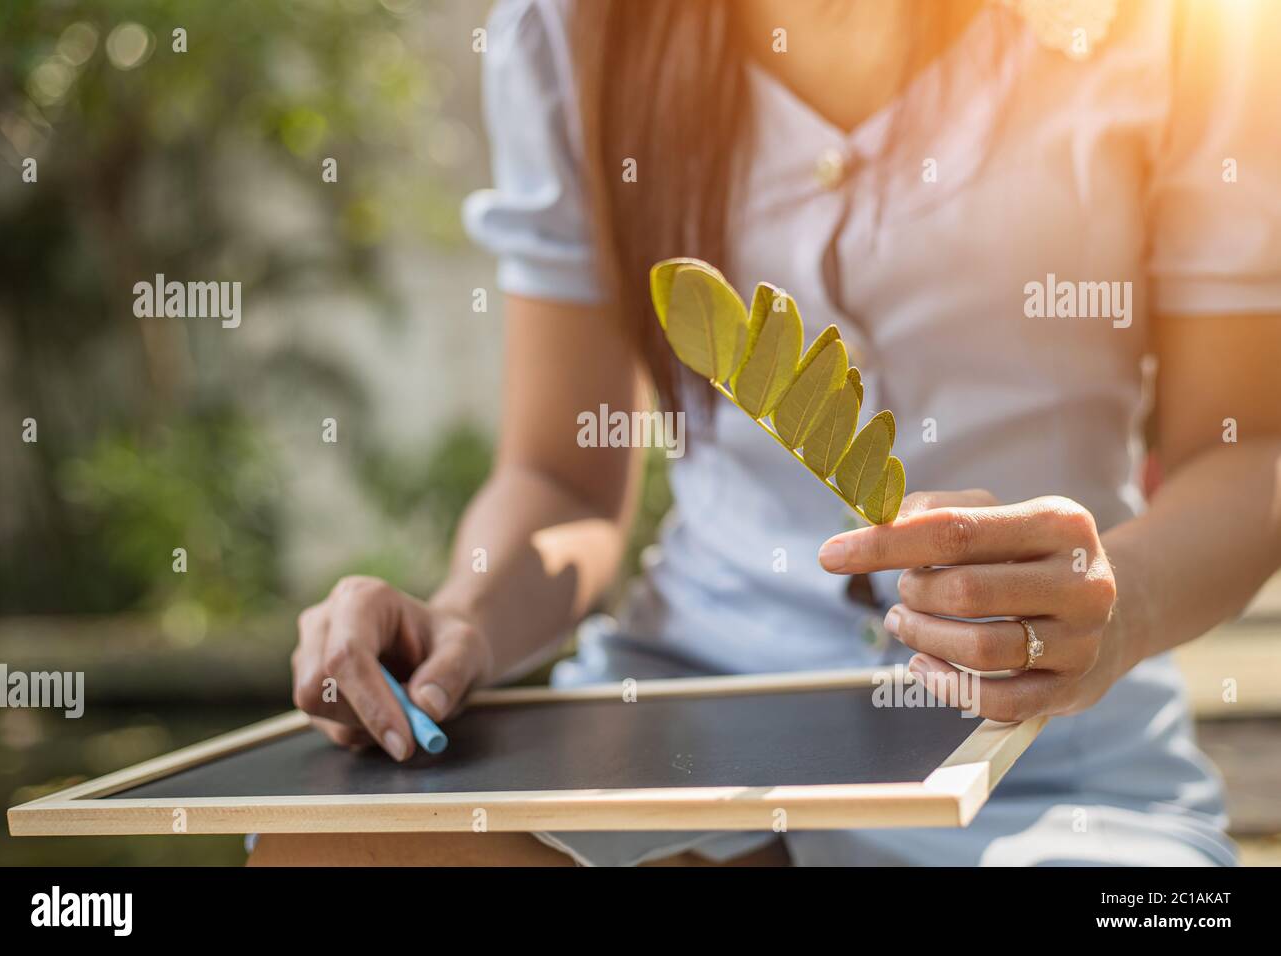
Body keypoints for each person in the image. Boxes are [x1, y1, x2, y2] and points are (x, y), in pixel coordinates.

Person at [251, 0, 1281, 866]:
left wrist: (1115, 602)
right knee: (329, 849)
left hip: (1049, 765)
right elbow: (559, 479)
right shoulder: (571, 32)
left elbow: (1244, 450)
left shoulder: (1181, 31)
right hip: (679, 729)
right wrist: (463, 612)